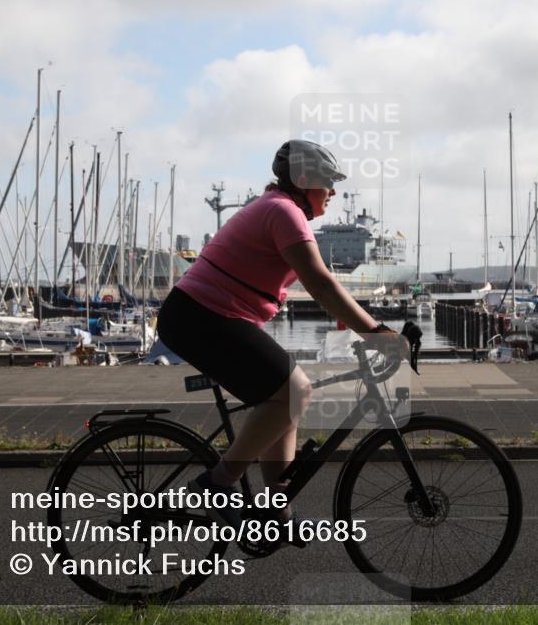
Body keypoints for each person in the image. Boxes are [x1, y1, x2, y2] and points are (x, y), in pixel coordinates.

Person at [155, 140, 392, 531]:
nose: (332, 192)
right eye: (326, 183)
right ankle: (216, 484)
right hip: (201, 317)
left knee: (287, 398)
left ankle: (275, 510)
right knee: (294, 391)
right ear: (303, 182)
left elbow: (319, 284)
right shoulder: (283, 211)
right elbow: (321, 282)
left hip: (208, 316)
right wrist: (374, 331)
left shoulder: (276, 208)